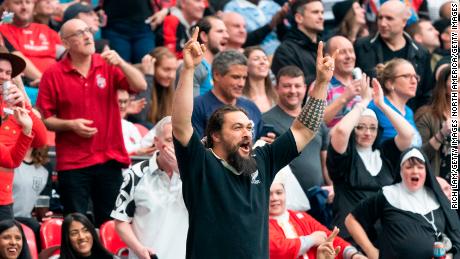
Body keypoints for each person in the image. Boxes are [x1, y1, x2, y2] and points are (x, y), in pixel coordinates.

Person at [172, 26, 335, 258]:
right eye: (237, 127)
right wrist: (188, 69)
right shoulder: (200, 163)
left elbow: (303, 130)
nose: (247, 133)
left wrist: (321, 83)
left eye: (249, 127)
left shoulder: (263, 161)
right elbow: (180, 124)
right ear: (216, 135)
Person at [36, 19, 147, 226]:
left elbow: (140, 85)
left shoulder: (107, 64)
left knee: (112, 223)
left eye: (88, 30)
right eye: (79, 33)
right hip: (72, 162)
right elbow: (45, 119)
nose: (88, 36)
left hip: (109, 159)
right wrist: (71, 125)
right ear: (66, 43)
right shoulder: (53, 74)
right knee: (76, 224)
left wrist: (122, 62)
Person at [327, 76, 415, 241]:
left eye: (373, 128)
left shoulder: (384, 153)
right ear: (353, 129)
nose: (368, 133)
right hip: (350, 235)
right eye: (360, 127)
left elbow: (408, 134)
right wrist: (363, 102)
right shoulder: (346, 156)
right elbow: (340, 132)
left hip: (384, 234)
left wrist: (381, 104)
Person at [345, 148, 460, 259]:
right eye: (409, 167)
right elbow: (351, 220)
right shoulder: (388, 195)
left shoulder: (437, 198)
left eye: (420, 167)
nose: (415, 171)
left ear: (426, 172)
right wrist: (371, 251)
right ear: (400, 171)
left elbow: (455, 237)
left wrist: (449, 256)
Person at [263, 66, 332, 223]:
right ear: (276, 88)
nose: (293, 91)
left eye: (297, 86)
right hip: (286, 203)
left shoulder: (317, 122)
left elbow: (324, 160)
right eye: (287, 86)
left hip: (318, 200)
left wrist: (331, 186)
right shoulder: (266, 120)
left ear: (305, 88)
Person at [112, 116, 188, 259]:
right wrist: (139, 249)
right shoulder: (136, 173)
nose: (175, 146)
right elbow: (120, 222)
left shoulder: (195, 174)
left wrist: (181, 170)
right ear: (156, 143)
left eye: (180, 140)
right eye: (170, 140)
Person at [354, 0, 432, 112]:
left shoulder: (421, 52)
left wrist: (416, 122)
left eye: (389, 18)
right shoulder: (361, 46)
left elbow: (426, 94)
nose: (382, 23)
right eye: (380, 18)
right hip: (372, 118)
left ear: (404, 22)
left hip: (408, 119)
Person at [0, 51, 47, 221]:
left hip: (4, 198)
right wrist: (26, 130)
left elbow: (41, 140)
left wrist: (25, 104)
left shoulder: (14, 107)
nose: (4, 77)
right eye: (0, 71)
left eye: (8, 73)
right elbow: (10, 160)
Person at [268, 177, 363, 259]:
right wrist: (312, 240)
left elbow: (329, 237)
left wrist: (352, 254)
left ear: (285, 194)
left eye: (279, 192)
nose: (275, 198)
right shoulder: (260, 224)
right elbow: (279, 248)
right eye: (269, 194)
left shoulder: (301, 217)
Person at [191, 50, 264, 139]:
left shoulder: (251, 107)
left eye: (244, 78)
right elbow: (195, 148)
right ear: (217, 75)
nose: (241, 84)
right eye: (236, 77)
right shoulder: (197, 106)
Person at [368, 58, 422, 146]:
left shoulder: (408, 111)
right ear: (389, 83)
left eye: (415, 77)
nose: (414, 81)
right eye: (406, 76)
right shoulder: (375, 106)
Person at [271, 0, 324, 87]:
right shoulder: (285, 51)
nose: (321, 17)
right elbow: (292, 88)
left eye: (322, 12)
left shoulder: (325, 46)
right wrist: (324, 76)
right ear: (299, 18)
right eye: (315, 12)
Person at [175, 16, 229, 96]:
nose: (227, 36)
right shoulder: (195, 67)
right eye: (220, 31)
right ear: (204, 36)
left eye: (226, 31)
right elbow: (190, 106)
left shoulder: (222, 66)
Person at [415, 65, 452, 179]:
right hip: (440, 187)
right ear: (444, 87)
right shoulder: (427, 115)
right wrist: (441, 134)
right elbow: (416, 157)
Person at [323, 36, 362, 128]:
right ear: (328, 57)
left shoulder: (362, 83)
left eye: (351, 51)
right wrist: (344, 98)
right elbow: (314, 124)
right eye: (342, 52)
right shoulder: (321, 85)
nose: (349, 56)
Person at [132, 47, 177, 127]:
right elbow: (139, 117)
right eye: (166, 69)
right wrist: (149, 77)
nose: (172, 75)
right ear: (153, 67)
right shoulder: (137, 79)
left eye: (174, 70)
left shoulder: (168, 85)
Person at [243, 46, 277, 113]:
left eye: (265, 59)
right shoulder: (240, 99)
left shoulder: (276, 97)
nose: (262, 62)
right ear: (245, 65)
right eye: (256, 59)